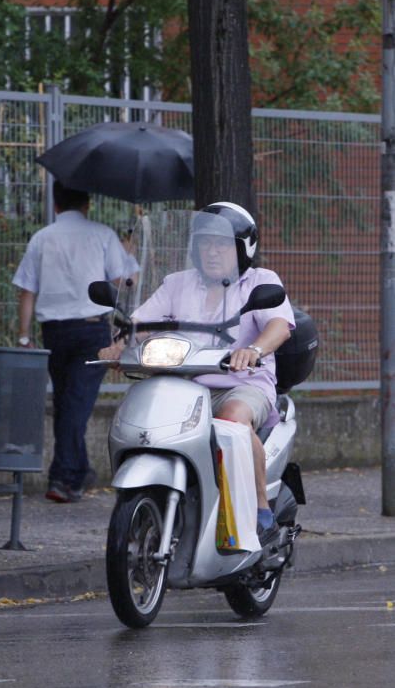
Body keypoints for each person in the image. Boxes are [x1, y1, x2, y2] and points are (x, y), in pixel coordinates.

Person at [99, 202, 295, 545]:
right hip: (186, 386)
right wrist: (119, 344)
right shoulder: (178, 284)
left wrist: (255, 350)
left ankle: (261, 511)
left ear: (242, 246)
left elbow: (279, 326)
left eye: (221, 244)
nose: (212, 251)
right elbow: (141, 324)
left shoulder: (261, 282)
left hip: (242, 384)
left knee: (233, 419)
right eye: (205, 243)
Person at [12, 180, 127, 503]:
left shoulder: (41, 238)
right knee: (75, 404)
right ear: (87, 204)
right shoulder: (103, 235)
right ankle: (62, 478)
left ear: (56, 205)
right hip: (92, 330)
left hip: (54, 333)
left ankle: (80, 471)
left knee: (67, 402)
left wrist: (24, 337)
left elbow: (27, 291)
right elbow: (121, 283)